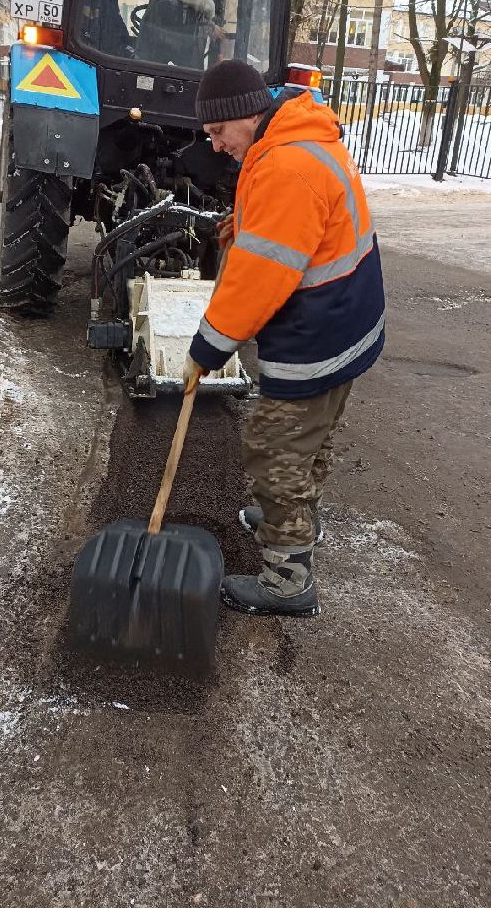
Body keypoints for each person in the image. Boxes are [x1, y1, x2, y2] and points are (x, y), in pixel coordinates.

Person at [184, 60, 385, 617]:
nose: (218, 146)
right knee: (308, 437)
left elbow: (259, 278)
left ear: (247, 116)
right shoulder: (294, 134)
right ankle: (295, 516)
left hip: (318, 330)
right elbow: (292, 231)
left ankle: (288, 578)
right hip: (347, 318)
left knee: (274, 447)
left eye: (219, 132)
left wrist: (208, 347)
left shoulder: (285, 166)